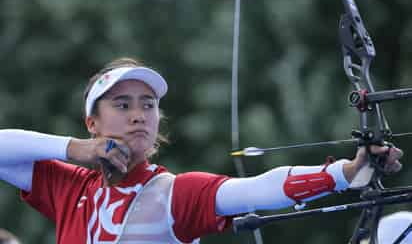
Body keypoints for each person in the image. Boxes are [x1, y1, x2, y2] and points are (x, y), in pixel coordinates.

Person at [0, 57, 403, 243]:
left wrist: (346, 173)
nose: (139, 114)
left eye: (148, 104)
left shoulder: (174, 194)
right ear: (93, 123)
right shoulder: (70, 188)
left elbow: (257, 189)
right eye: (122, 105)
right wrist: (75, 150)